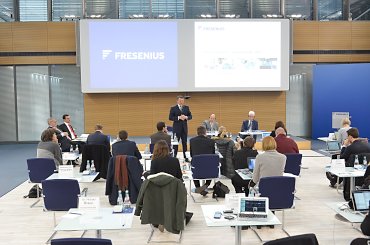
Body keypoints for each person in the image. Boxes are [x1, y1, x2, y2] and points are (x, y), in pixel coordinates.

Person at [149, 140, 193, 226]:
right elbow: (179, 176)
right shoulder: (174, 160)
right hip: (173, 190)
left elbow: (153, 178)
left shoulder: (154, 162)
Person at [340, 127, 370, 200]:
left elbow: (342, 158)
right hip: (365, 175)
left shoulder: (350, 148)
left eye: (347, 137)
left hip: (352, 174)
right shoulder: (368, 146)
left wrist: (344, 146)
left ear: (350, 137)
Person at [189, 126, 215, 196]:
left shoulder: (192, 140)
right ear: (205, 132)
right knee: (211, 164)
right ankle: (206, 185)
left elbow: (192, 154)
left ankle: (198, 187)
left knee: (193, 165)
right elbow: (213, 155)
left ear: (197, 133)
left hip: (196, 166)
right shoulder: (211, 141)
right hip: (209, 168)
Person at [169, 95, 192, 161]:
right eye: (180, 101)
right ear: (177, 101)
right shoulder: (173, 108)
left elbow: (190, 116)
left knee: (184, 143)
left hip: (184, 128)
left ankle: (185, 157)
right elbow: (170, 118)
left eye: (182, 101)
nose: (181, 102)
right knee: (175, 143)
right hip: (176, 128)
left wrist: (186, 117)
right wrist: (178, 117)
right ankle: (174, 156)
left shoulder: (186, 107)